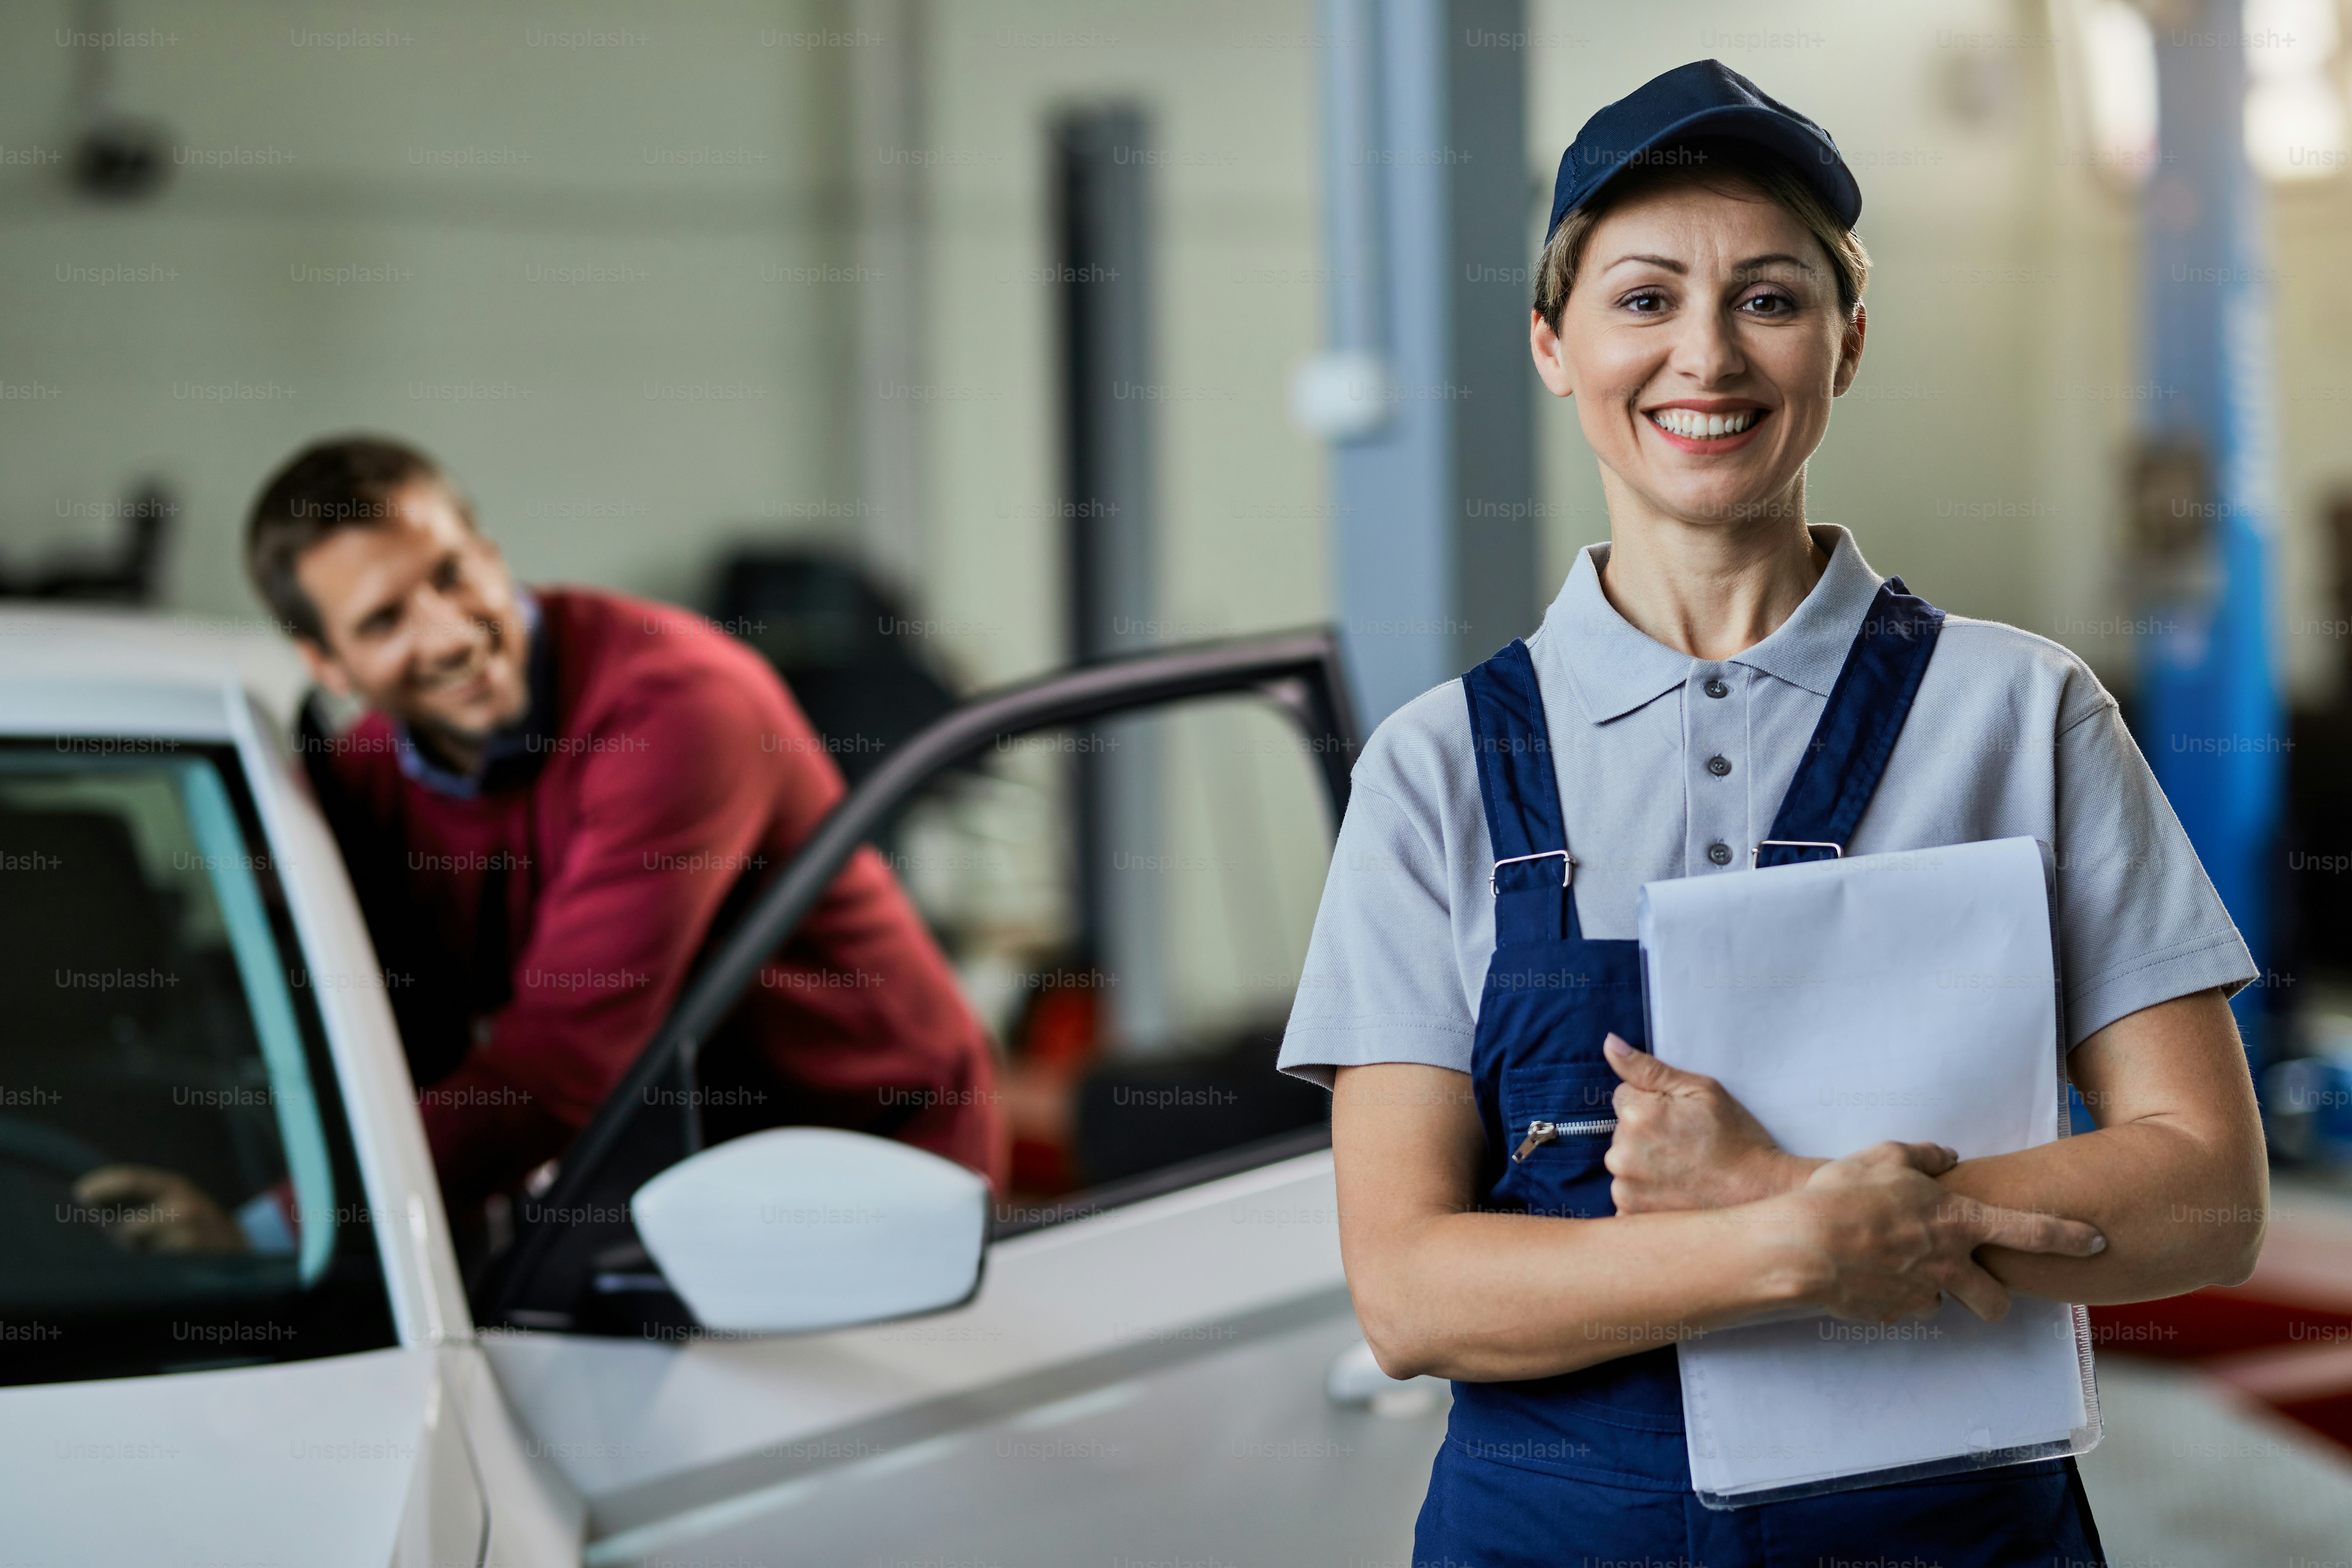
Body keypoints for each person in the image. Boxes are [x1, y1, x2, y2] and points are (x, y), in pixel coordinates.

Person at [1277, 61, 2268, 1565]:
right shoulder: (1437, 769)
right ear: (1551, 342)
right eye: (1642, 298)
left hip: (1950, 1535)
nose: (1705, 355)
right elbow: (1411, 1290)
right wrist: (1793, 1240)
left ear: (1847, 342)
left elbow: (2203, 1193)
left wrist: (1796, 1183)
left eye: (1768, 297)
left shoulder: (2019, 715)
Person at [84, 437, 1003, 1256]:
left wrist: (272, 1230)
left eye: (449, 574)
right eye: (384, 620)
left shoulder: (677, 711)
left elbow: (559, 1068)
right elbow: (392, 1031)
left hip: (872, 1149)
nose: (448, 634)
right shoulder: (361, 779)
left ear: (489, 551)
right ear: (326, 664)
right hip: (670, 1161)